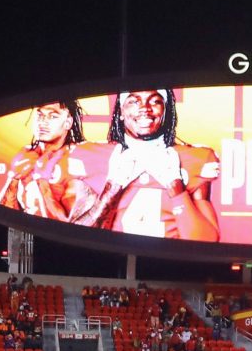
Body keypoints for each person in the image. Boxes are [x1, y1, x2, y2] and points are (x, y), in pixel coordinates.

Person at [80, 89, 219, 242]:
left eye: (155, 101)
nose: (145, 108)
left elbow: (206, 241)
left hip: (170, 262)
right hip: (112, 261)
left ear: (165, 112)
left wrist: (177, 190)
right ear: (120, 111)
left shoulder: (195, 158)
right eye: (134, 101)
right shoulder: (91, 155)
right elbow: (78, 238)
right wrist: (112, 188)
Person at [0, 100, 95, 224]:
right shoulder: (26, 153)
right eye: (40, 115)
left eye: (52, 116)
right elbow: (5, 218)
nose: (43, 122)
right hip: (29, 237)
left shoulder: (78, 157)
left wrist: (42, 180)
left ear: (68, 123)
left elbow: (66, 227)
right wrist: (14, 180)